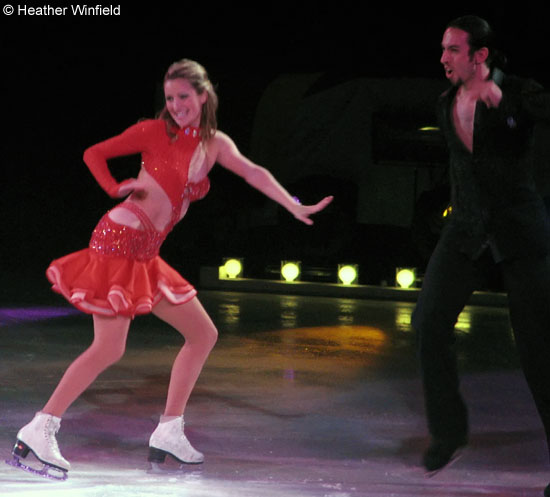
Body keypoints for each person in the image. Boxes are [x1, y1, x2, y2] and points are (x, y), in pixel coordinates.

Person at [7, 59, 333, 480]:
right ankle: (41, 427)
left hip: (145, 253)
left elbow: (253, 172)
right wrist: (115, 187)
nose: (176, 105)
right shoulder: (153, 131)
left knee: (202, 334)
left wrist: (293, 204)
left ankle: (169, 431)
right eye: (170, 98)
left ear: (203, 95)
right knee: (109, 348)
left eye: (183, 96)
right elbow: (94, 153)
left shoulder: (215, 144)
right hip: (120, 242)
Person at [412, 16, 550, 494]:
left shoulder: (522, 92)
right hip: (466, 229)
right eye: (443, 49)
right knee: (428, 323)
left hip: (518, 231)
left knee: (538, 352)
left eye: (453, 50)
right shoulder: (445, 102)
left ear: (480, 55)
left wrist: (505, 105)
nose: (444, 58)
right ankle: (450, 433)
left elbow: (531, 122)